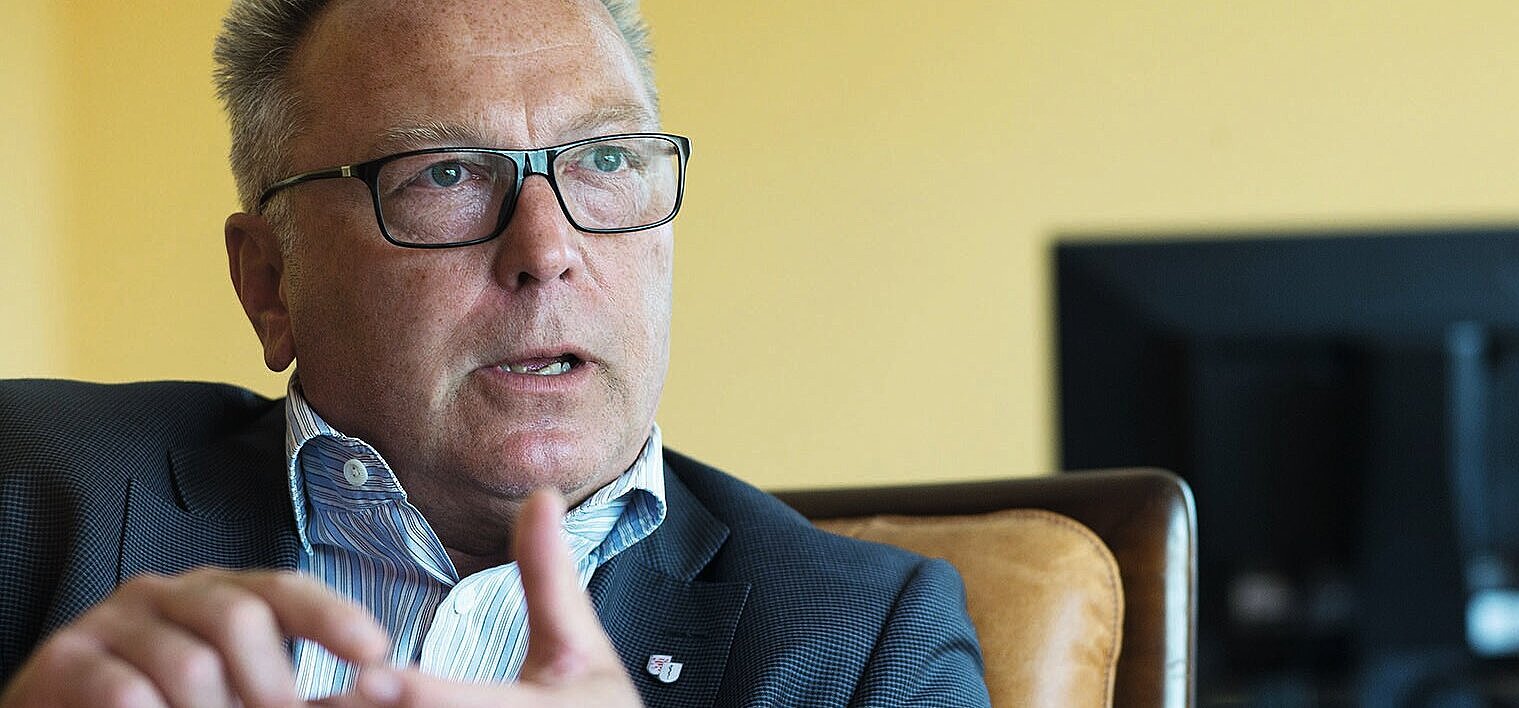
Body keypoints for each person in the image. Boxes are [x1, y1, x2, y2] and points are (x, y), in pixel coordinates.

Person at [0, 0, 990, 705]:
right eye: (443, 175)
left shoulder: (861, 645)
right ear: (270, 283)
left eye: (605, 160)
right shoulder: (25, 488)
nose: (546, 249)